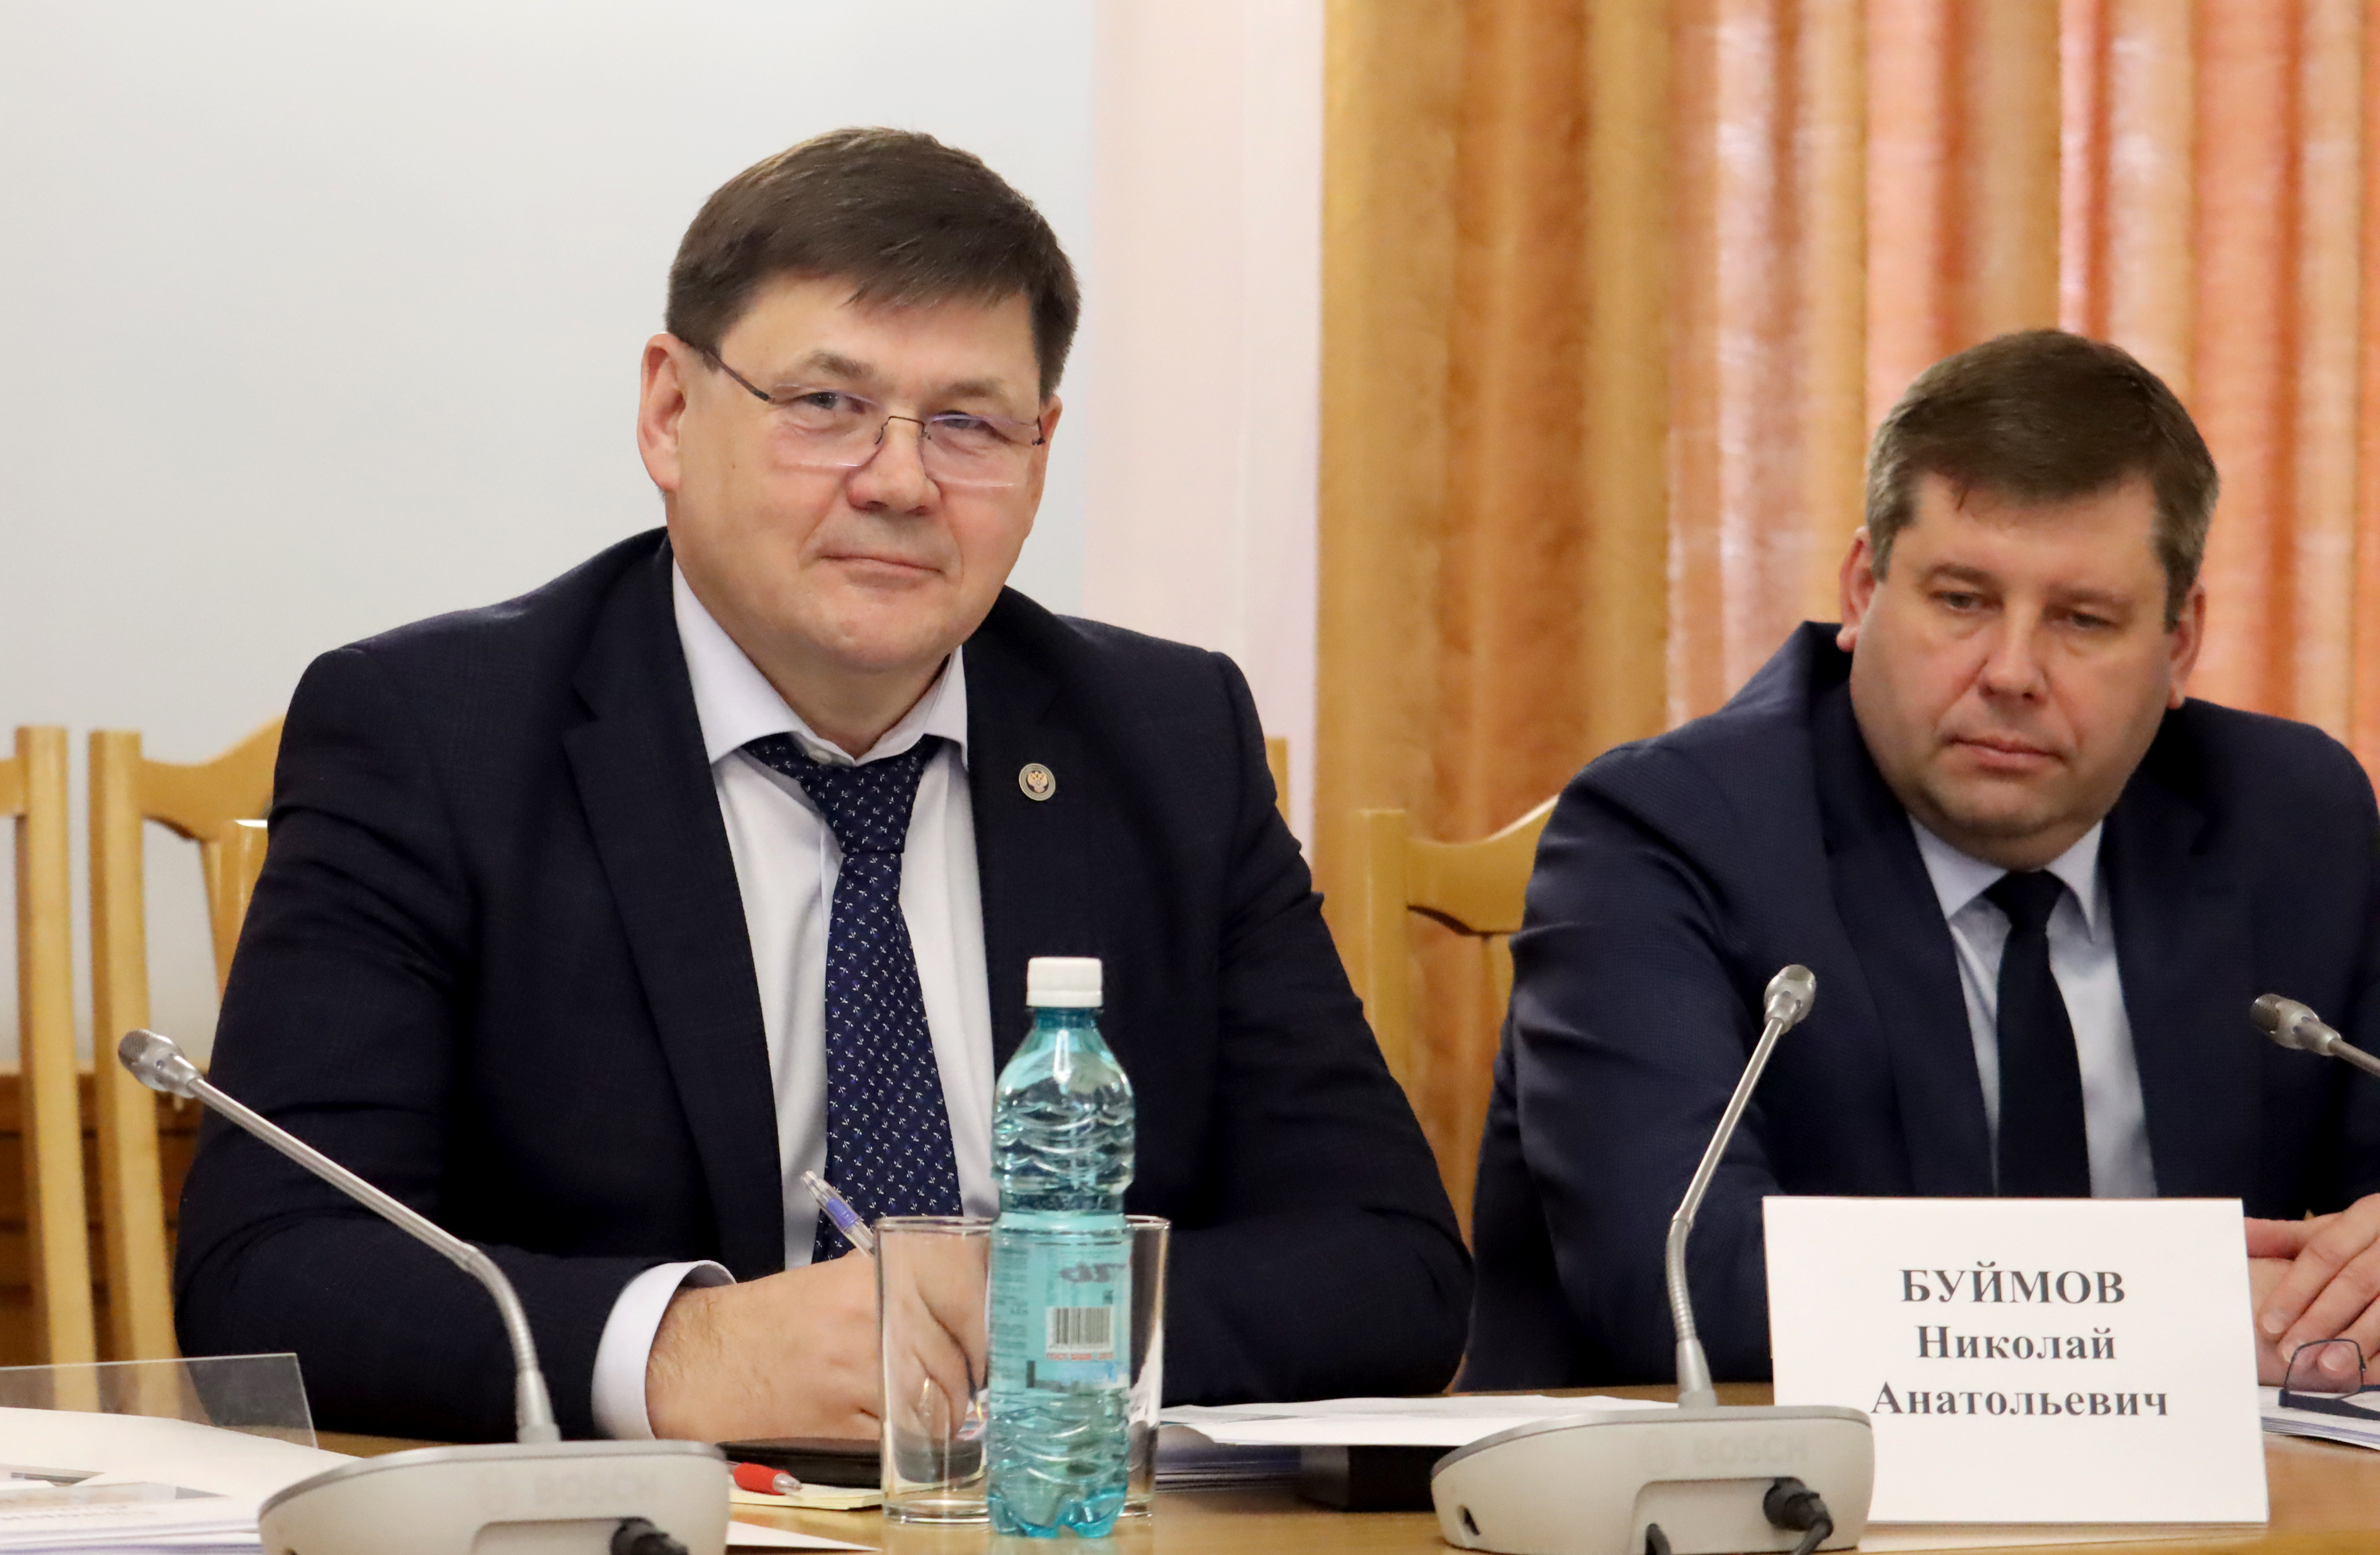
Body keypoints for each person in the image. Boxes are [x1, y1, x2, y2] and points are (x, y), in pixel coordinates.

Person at [175, 128, 1467, 1443]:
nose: (901, 481)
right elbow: (269, 1268)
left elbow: (1393, 1262)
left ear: (1039, 452)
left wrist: (1027, 1322)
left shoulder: (1169, 740)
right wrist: (686, 1349)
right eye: (827, 405)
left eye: (969, 424)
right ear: (671, 412)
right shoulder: (434, 736)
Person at [1463, 329, 2380, 1391]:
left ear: (2179, 644)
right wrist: (2194, 1311)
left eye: (2083, 619)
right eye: (1961, 600)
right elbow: (1681, 1285)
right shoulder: (1665, 832)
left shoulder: (2290, 815)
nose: (2012, 671)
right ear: (1863, 591)